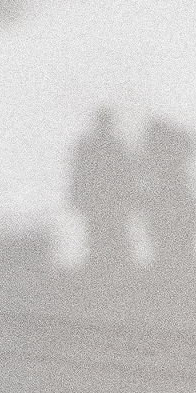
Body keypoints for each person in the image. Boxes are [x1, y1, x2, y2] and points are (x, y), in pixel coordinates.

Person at [69, 107, 134, 272]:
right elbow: (79, 174)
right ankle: (103, 271)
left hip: (106, 203)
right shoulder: (114, 146)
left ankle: (106, 270)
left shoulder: (102, 146)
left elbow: (126, 176)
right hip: (102, 203)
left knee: (106, 237)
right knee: (101, 237)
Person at [137, 117, 196, 269]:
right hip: (170, 192)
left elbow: (144, 168)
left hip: (170, 192)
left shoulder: (163, 146)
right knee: (166, 231)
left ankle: (171, 261)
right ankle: (173, 261)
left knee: (167, 231)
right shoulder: (169, 144)